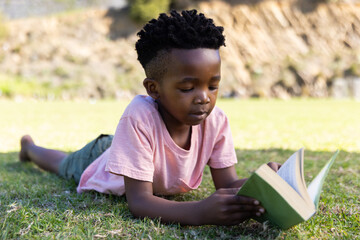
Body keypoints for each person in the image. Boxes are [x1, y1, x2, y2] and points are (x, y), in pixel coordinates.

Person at [19, 9, 281, 226]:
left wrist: (263, 183)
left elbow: (228, 183)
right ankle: (30, 148)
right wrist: (200, 212)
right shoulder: (139, 116)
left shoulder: (216, 120)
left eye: (213, 86)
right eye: (188, 88)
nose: (204, 97)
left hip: (135, 149)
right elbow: (140, 202)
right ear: (153, 89)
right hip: (103, 155)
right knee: (65, 165)